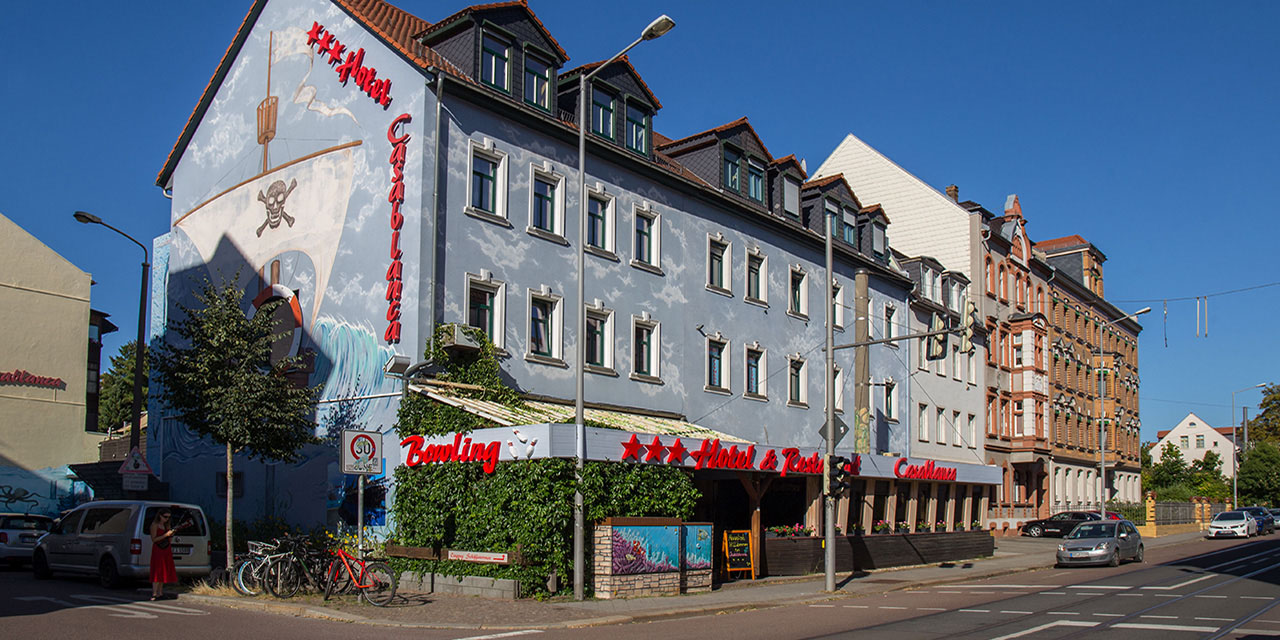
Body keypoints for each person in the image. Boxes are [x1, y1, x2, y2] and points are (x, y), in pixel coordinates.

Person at [149, 508, 178, 600]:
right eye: (165, 517)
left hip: (166, 549)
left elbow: (169, 540)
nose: (166, 519)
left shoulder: (167, 526)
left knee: (164, 570)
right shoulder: (155, 525)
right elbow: (154, 539)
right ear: (160, 516)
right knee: (157, 569)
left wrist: (171, 534)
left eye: (168, 517)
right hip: (158, 549)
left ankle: (160, 593)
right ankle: (154, 593)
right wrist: (166, 535)